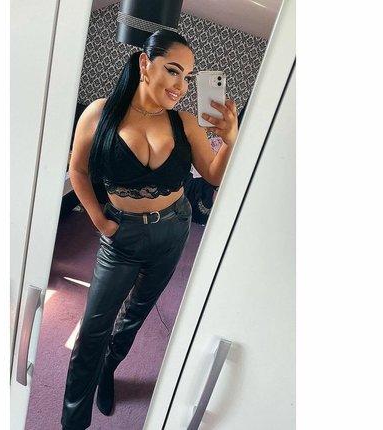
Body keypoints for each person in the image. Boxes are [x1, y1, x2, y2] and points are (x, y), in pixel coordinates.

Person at [61, 29, 238, 430]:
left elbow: (213, 175)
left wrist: (229, 140)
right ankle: (73, 420)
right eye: (173, 71)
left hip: (172, 231)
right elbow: (78, 170)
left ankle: (109, 370)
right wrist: (99, 220)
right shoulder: (100, 114)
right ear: (145, 63)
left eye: (187, 78)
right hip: (120, 235)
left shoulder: (185, 123)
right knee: (93, 328)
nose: (181, 86)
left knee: (135, 314)